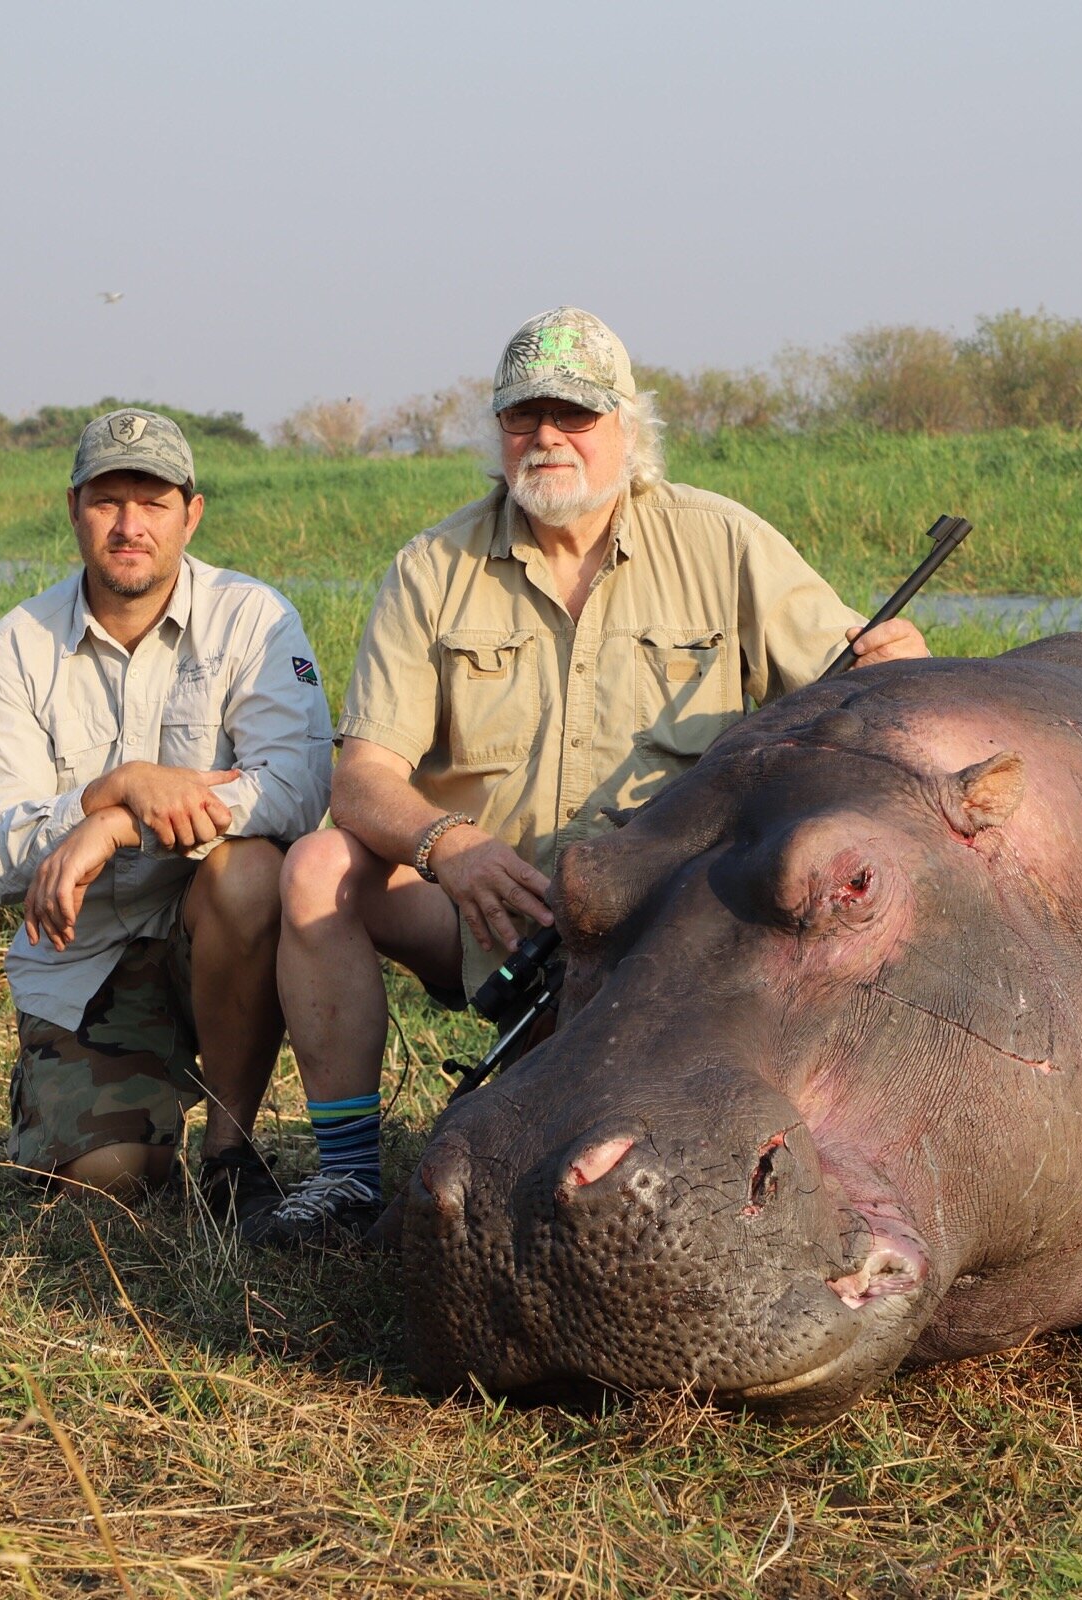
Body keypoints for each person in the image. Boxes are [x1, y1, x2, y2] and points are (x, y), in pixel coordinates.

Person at [271, 307, 926, 1246]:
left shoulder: (724, 542)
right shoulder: (430, 568)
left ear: (629, 427)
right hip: (494, 914)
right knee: (314, 869)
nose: (546, 439)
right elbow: (363, 776)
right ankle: (343, 1180)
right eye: (522, 418)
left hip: (672, 925)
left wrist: (896, 666)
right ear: (496, 433)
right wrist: (447, 845)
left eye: (574, 417)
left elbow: (857, 682)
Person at [0, 408, 333, 1227]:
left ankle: (232, 1151)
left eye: (154, 502)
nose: (130, 526)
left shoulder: (256, 619)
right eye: (107, 501)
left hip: (217, 930)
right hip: (88, 956)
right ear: (73, 509)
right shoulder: (10, 650)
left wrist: (122, 824)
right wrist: (109, 789)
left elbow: (298, 787)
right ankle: (117, 1104)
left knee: (253, 871)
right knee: (110, 1184)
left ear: (191, 513)